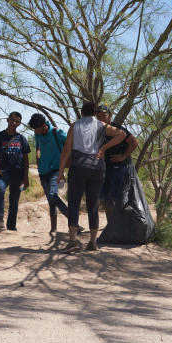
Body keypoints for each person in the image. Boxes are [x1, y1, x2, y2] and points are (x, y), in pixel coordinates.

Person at [56, 102, 126, 252]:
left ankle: (73, 241)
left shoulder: (75, 126)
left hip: (79, 167)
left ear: (81, 113)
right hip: (98, 169)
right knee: (93, 205)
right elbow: (122, 134)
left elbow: (66, 150)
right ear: (95, 113)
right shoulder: (101, 125)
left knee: (74, 203)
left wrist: (60, 172)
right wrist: (103, 148)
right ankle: (93, 242)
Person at [27, 113, 69, 234]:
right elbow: (38, 147)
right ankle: (53, 228)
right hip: (42, 171)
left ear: (44, 125)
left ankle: (73, 222)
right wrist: (38, 157)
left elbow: (71, 145)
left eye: (37, 129)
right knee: (51, 201)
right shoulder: (37, 133)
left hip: (56, 170)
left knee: (53, 195)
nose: (36, 132)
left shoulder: (58, 133)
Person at [94, 105, 139, 218]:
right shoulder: (97, 131)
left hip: (117, 169)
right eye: (98, 117)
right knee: (104, 199)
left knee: (116, 199)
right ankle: (112, 227)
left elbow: (134, 142)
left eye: (104, 116)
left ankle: (121, 226)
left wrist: (123, 156)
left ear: (110, 116)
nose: (101, 119)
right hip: (103, 169)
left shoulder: (116, 129)